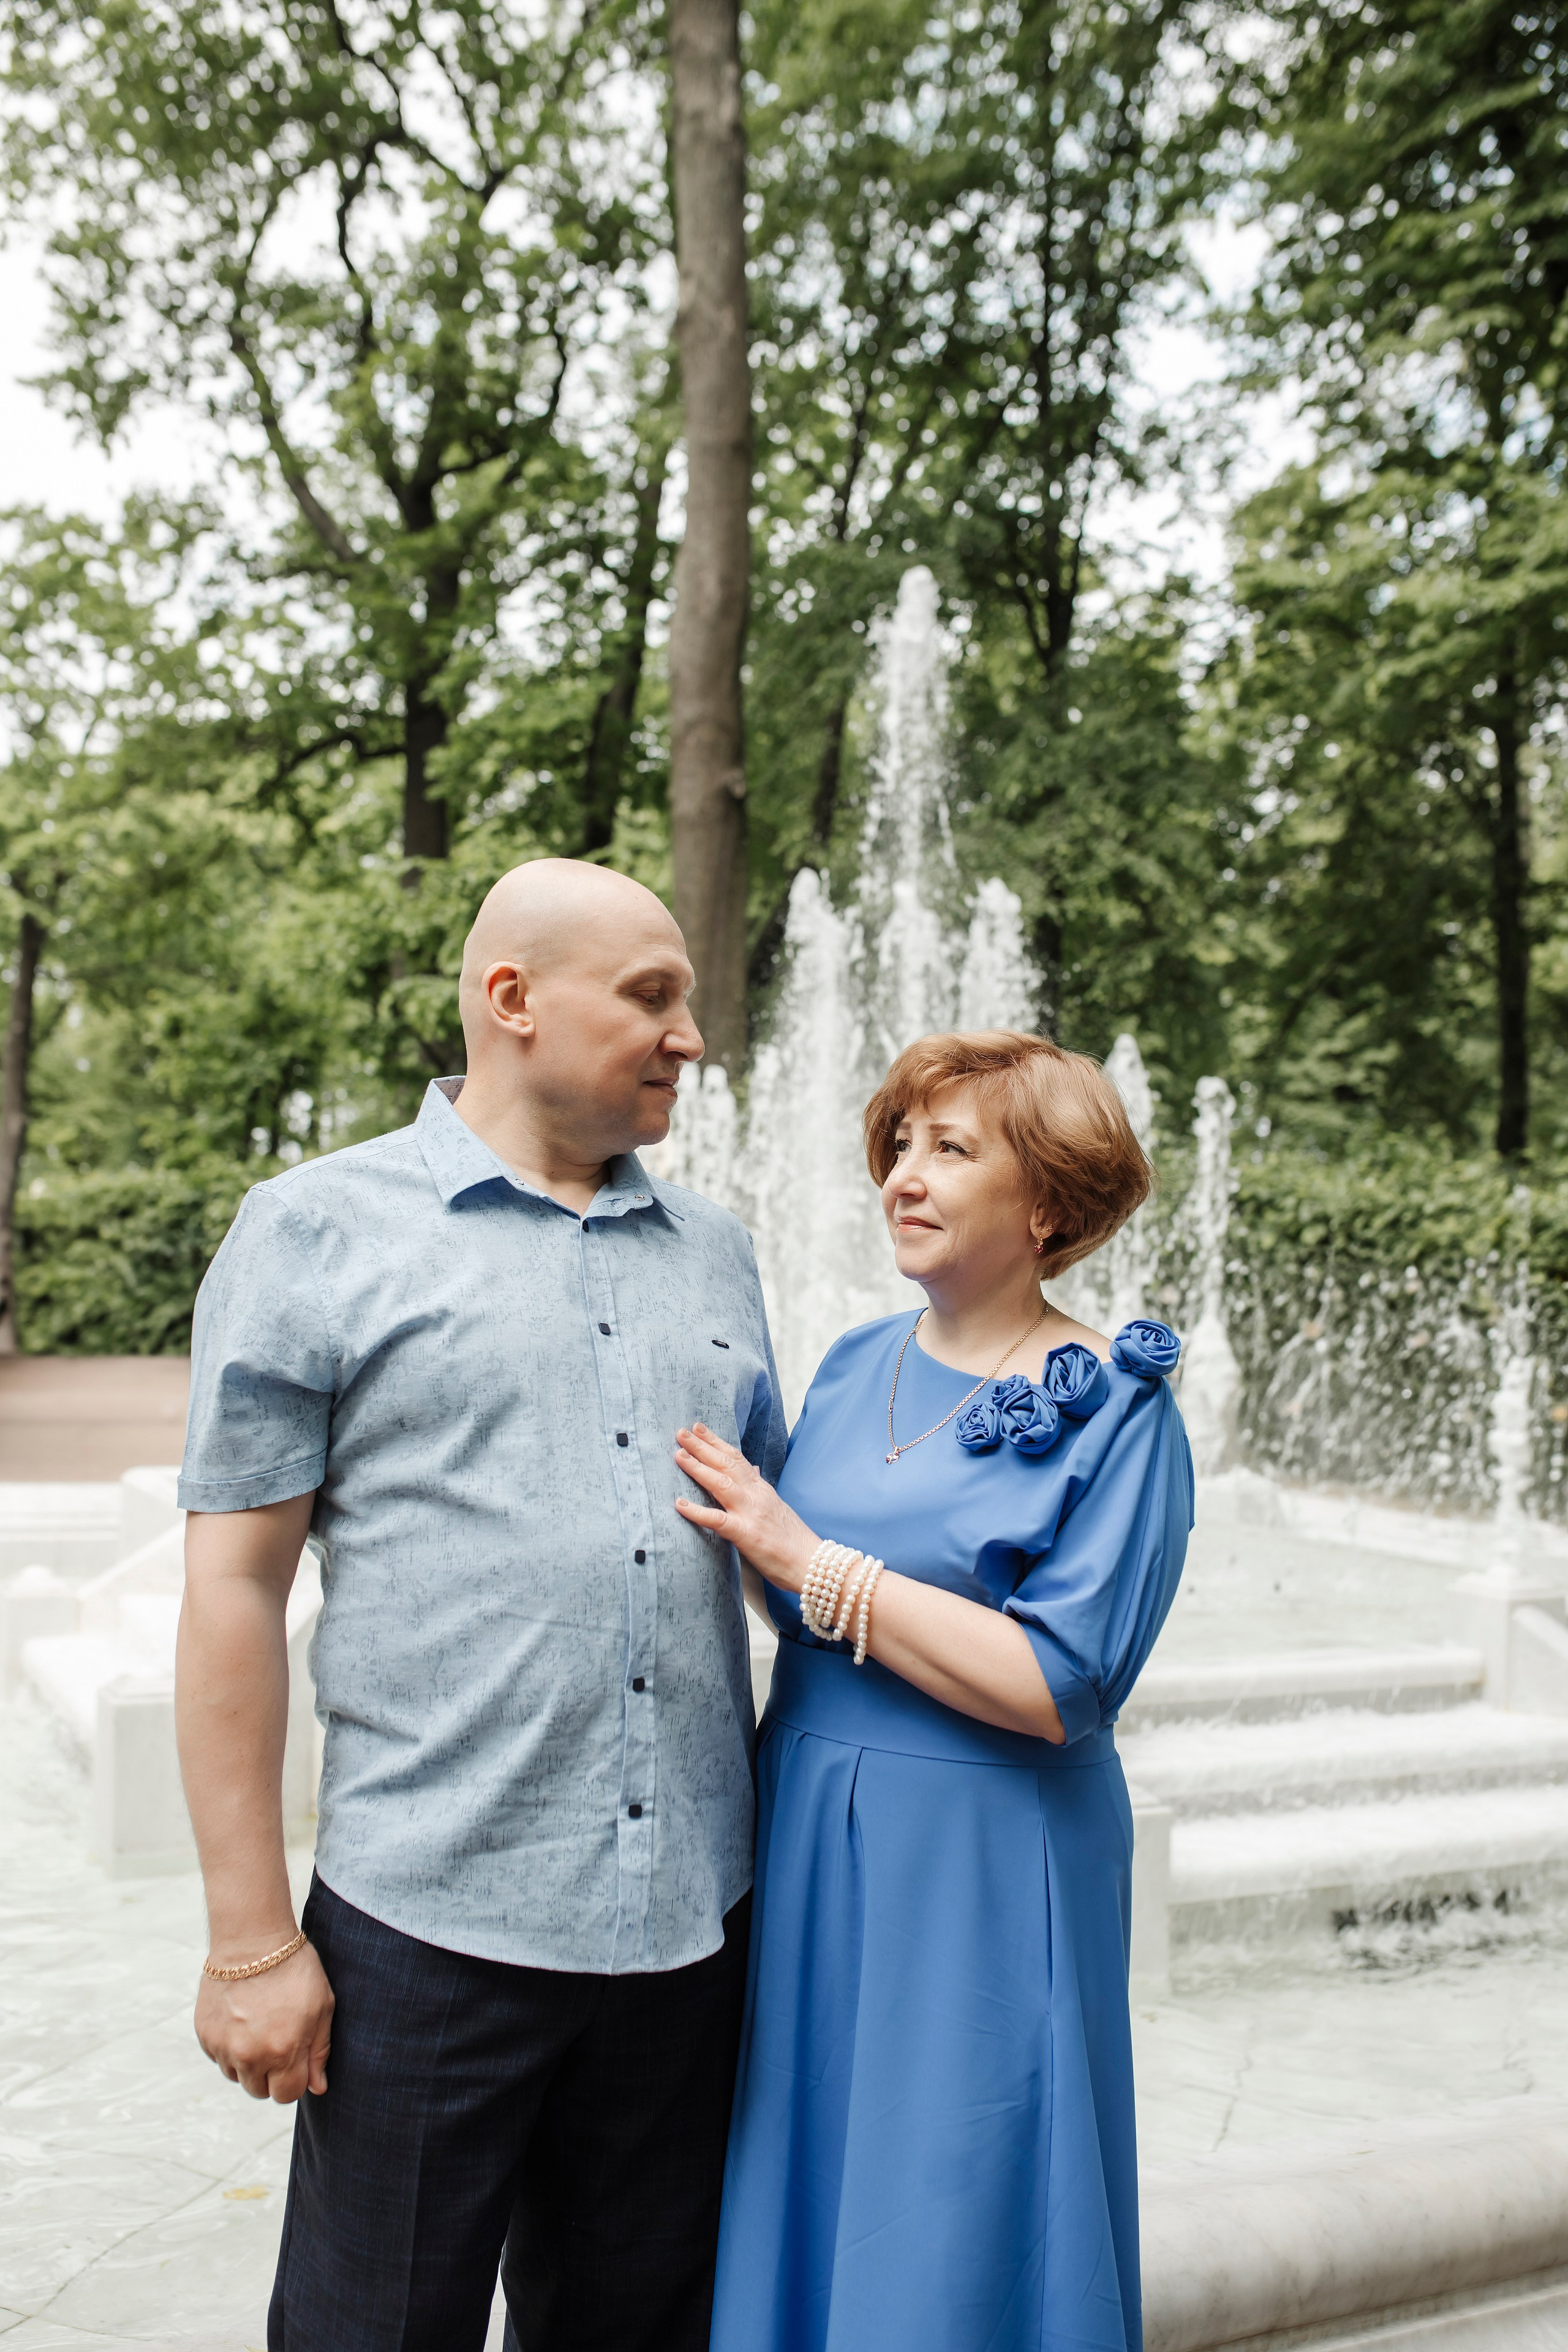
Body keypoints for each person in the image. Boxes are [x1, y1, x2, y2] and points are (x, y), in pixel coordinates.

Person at [173, 859, 786, 2352]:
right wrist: (253, 1941)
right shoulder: (313, 1230)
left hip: (687, 1947)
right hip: (425, 1938)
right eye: (651, 997)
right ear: (510, 1000)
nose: (689, 1037)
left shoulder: (718, 1249)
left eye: (688, 1003)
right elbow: (233, 1590)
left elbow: (788, 1552)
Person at [676, 1029, 1193, 2352]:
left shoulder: (1121, 1411)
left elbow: (1057, 1682)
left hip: (986, 1852)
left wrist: (812, 1561)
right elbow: (790, 1587)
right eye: (897, 1146)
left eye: (949, 1149)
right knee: (804, 2160)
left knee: (956, 2197)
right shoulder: (852, 1363)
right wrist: (751, 1549)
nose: (902, 1175)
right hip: (806, 1833)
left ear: (1044, 1204)